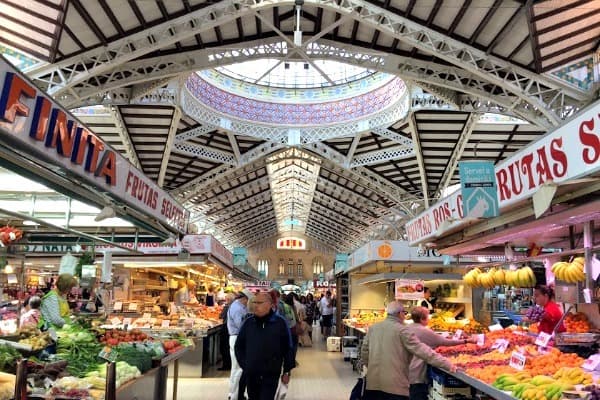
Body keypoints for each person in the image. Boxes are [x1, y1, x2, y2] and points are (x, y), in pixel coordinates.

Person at [361, 301, 457, 400]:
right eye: (405, 313)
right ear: (400, 314)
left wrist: (373, 368)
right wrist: (447, 364)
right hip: (395, 386)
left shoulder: (373, 328)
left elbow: (364, 352)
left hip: (373, 384)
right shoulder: (402, 330)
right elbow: (423, 351)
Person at [235, 292, 293, 400]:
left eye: (260, 303)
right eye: (255, 302)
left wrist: (287, 371)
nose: (256, 305)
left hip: (271, 373)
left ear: (270, 304)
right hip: (252, 374)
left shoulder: (280, 323)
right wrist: (245, 365)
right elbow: (239, 347)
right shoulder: (248, 323)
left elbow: (288, 348)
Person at [407, 306, 476, 399]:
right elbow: (444, 342)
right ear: (422, 319)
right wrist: (466, 341)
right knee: (417, 395)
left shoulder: (407, 328)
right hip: (415, 375)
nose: (429, 319)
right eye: (428, 317)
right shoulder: (424, 331)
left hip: (405, 373)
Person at [227, 289, 254, 400]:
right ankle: (235, 396)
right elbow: (241, 327)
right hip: (237, 338)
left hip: (238, 338)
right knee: (239, 368)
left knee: (237, 368)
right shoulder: (237, 309)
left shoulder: (240, 307)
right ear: (244, 299)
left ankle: (234, 394)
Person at [219, 293, 236, 371]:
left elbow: (221, 316)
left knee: (224, 347)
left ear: (228, 300)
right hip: (230, 329)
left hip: (226, 328)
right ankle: (229, 364)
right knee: (228, 348)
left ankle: (226, 365)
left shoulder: (227, 307)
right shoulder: (234, 307)